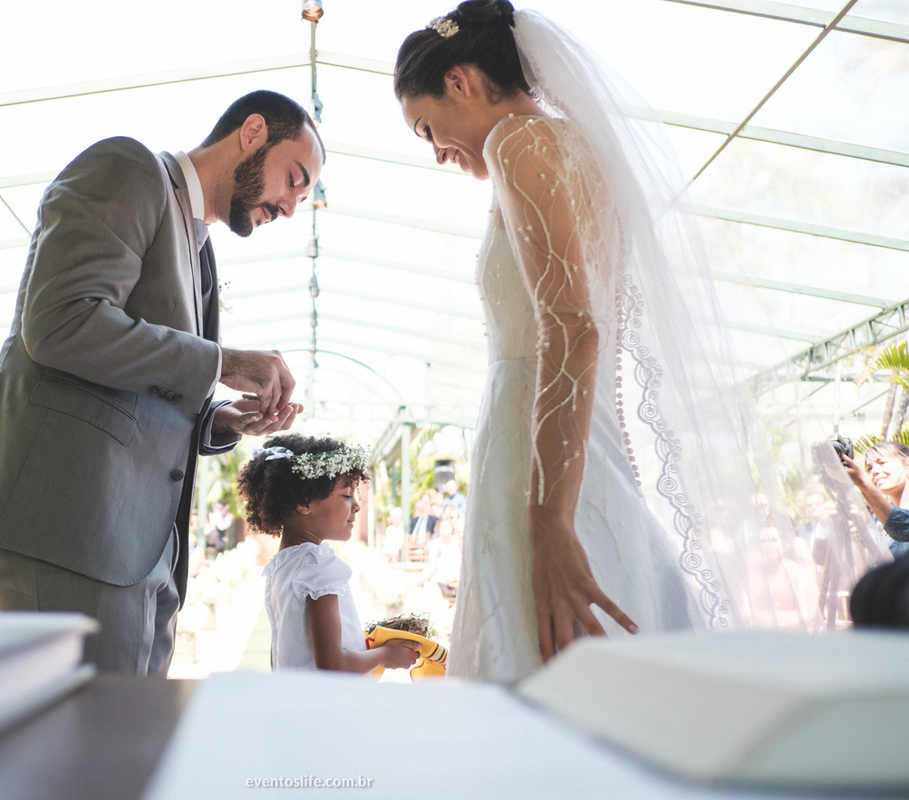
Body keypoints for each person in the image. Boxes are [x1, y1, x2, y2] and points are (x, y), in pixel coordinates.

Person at [395, 1, 820, 681]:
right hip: (578, 441)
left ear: (460, 81)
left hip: (536, 457)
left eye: (426, 129)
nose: (439, 151)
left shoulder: (518, 142)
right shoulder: (580, 151)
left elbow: (573, 327)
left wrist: (550, 521)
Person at [0, 90, 322, 675]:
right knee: (78, 752)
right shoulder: (128, 168)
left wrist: (220, 418)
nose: (291, 207)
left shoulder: (202, 250)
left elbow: (136, 383)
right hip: (67, 528)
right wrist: (222, 361)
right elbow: (63, 322)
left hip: (138, 548)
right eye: (293, 179)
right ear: (251, 132)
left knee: (123, 747)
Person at [239, 434, 420, 673]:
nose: (356, 505)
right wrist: (386, 654)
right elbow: (333, 665)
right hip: (325, 703)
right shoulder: (319, 565)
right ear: (303, 502)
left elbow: (280, 653)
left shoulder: (280, 565)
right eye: (346, 495)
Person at [842, 443, 909, 560]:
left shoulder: (893, 520)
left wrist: (862, 483)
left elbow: (902, 527)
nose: (874, 471)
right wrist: (858, 540)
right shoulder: (877, 521)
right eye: (869, 468)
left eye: (882, 463)